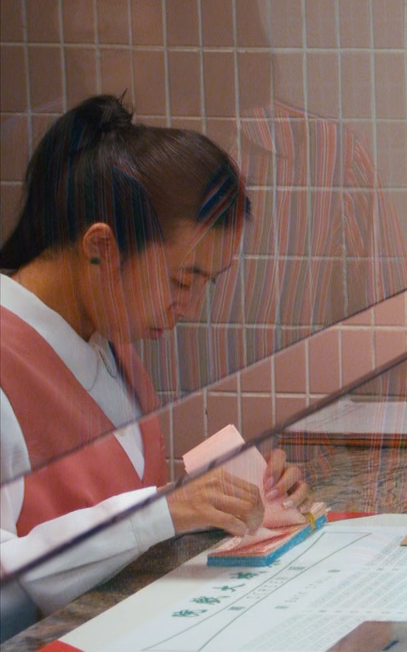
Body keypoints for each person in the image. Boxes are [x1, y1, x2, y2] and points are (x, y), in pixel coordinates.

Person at [0, 96, 314, 639]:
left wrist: (228, 497)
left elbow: (125, 513)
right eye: (181, 280)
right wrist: (163, 510)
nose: (189, 307)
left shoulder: (107, 341)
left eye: (206, 283)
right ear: (101, 247)